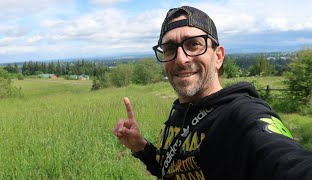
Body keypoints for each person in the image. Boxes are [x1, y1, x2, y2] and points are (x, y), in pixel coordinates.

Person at [113, 5, 312, 180]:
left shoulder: (241, 115)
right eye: (170, 48)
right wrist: (141, 147)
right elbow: (170, 172)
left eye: (194, 44)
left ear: (218, 57)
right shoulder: (179, 114)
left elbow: (285, 160)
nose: (181, 59)